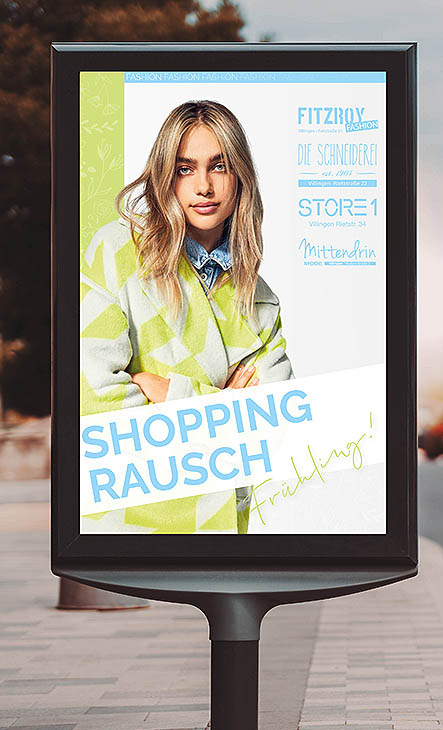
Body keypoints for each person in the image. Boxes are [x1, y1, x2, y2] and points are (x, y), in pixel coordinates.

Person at [80, 100, 292, 534]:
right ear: (165, 175)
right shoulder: (117, 252)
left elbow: (277, 429)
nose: (204, 186)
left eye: (219, 166)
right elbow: (96, 403)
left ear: (240, 176)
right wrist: (226, 408)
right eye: (184, 168)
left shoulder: (261, 300)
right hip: (131, 524)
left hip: (232, 530)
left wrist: (170, 392)